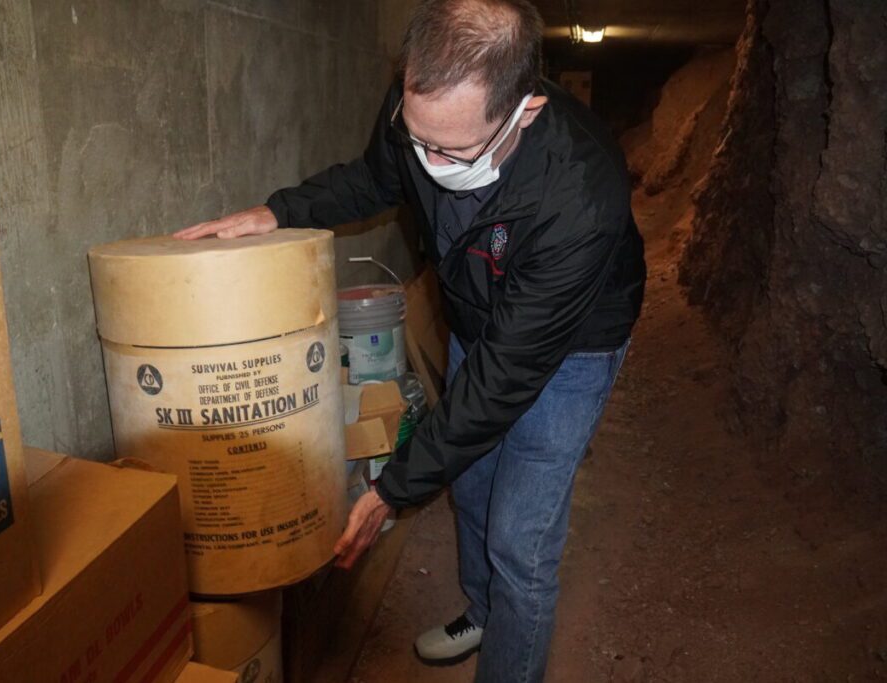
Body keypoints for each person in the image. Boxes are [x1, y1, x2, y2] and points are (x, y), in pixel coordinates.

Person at [176, 0, 645, 680]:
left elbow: (502, 380)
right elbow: (376, 176)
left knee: (520, 539)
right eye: (417, 133)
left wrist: (392, 488)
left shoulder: (581, 195)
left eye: (452, 148)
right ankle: (485, 612)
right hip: (479, 313)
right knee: (475, 486)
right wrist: (279, 211)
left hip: (570, 343)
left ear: (527, 110)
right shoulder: (416, 110)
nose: (428, 160)